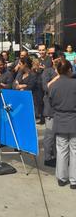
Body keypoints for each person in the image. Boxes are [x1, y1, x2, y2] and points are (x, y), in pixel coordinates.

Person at [48, 57, 76, 187]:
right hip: (74, 120)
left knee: (61, 150)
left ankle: (62, 178)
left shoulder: (54, 85)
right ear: (69, 69)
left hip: (60, 119)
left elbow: (51, 103)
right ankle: (74, 180)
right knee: (74, 151)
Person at [42, 50, 59, 166]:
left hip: (62, 109)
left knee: (59, 136)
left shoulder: (68, 72)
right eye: (57, 59)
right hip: (50, 109)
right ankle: (48, 157)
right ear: (53, 60)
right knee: (50, 134)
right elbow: (46, 87)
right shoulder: (47, 72)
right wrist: (58, 76)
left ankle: (57, 156)